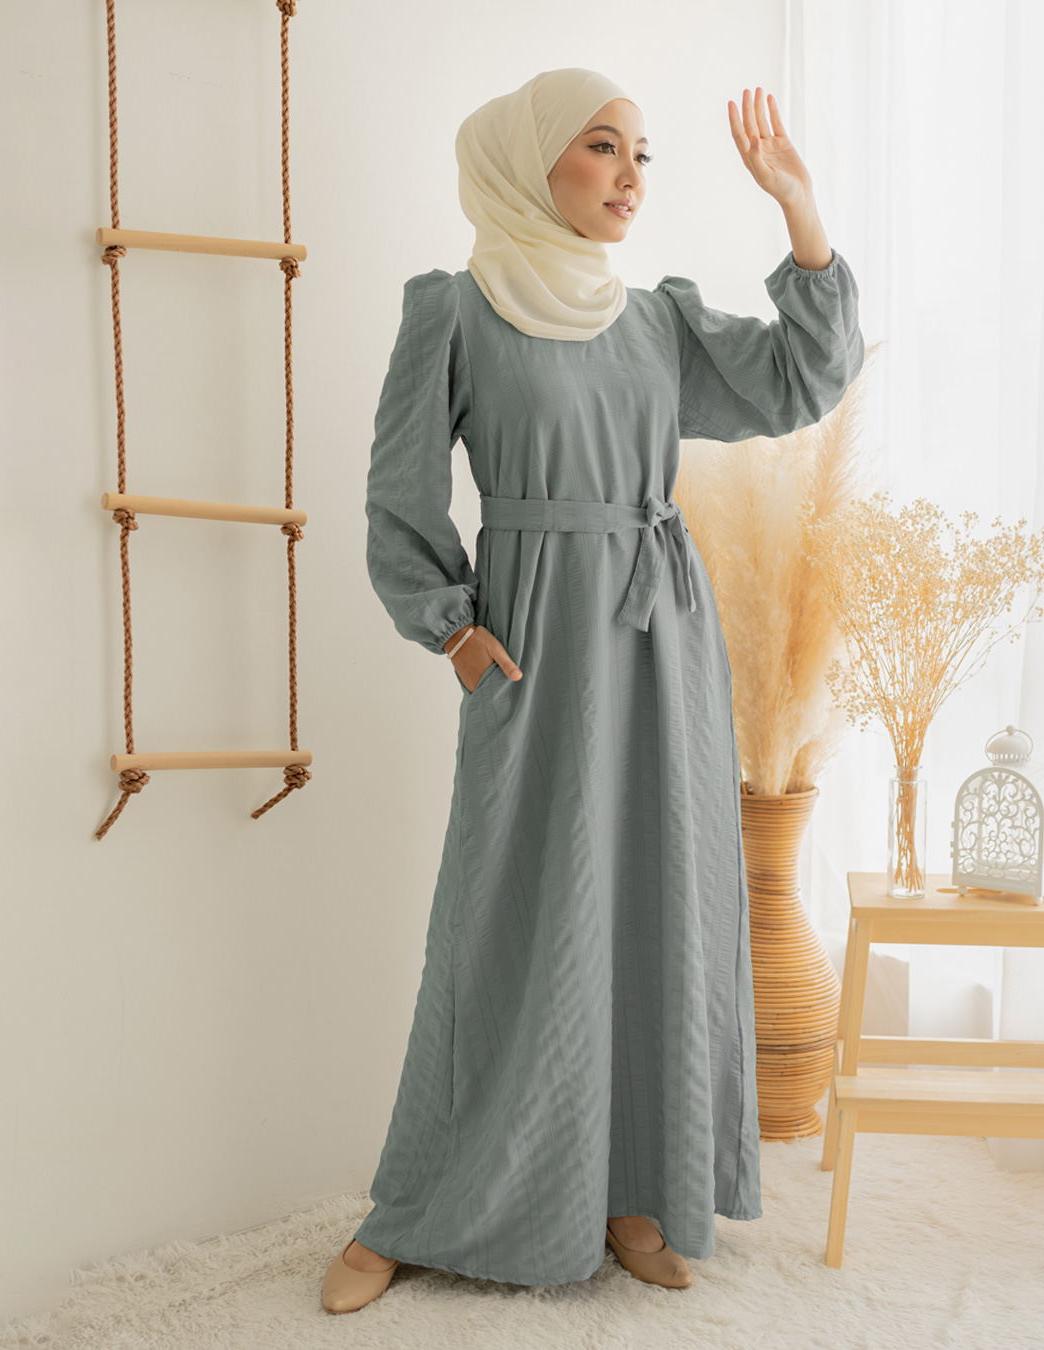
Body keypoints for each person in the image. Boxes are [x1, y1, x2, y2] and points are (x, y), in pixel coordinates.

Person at [321, 68, 865, 1315]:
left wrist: (799, 208)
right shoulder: (457, 310)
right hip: (534, 644)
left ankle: (631, 1191)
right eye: (602, 147)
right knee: (505, 917)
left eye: (642, 154)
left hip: (662, 640)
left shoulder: (654, 321)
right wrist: (452, 628)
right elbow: (399, 493)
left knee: (653, 902)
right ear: (532, 163)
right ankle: (414, 1205)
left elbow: (801, 378)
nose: (629, 175)